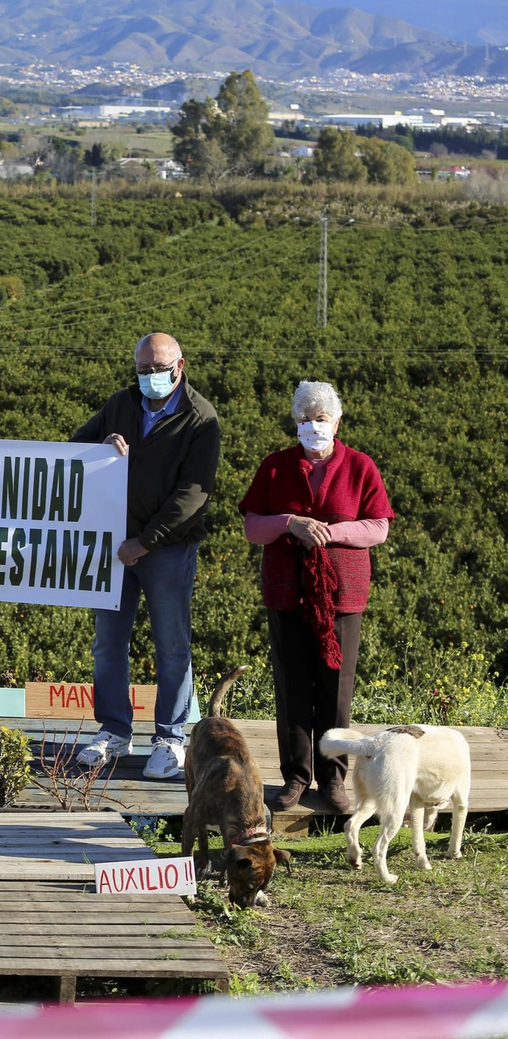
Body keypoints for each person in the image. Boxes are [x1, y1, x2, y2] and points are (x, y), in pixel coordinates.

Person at [70, 332, 220, 780]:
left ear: (179, 364)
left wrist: (147, 541)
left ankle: (171, 738)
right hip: (114, 545)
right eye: (143, 369)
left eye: (158, 368)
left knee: (172, 645)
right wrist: (100, 448)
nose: (151, 376)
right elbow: (72, 447)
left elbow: (192, 494)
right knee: (107, 644)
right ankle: (114, 731)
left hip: (167, 549)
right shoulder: (121, 404)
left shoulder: (200, 417)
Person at [239, 381, 393, 813]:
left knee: (335, 688)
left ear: (337, 421)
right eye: (305, 419)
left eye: (321, 418)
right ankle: (295, 778)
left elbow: (378, 527)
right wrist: (291, 522)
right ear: (295, 423)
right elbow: (253, 526)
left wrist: (329, 532)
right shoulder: (275, 467)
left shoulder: (361, 467)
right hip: (287, 591)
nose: (313, 426)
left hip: (342, 595)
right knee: (291, 686)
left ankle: (333, 778)